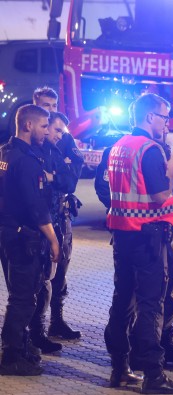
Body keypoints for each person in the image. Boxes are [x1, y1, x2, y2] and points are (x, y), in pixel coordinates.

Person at [95, 103, 173, 368]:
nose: (166, 121)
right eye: (164, 116)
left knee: (123, 299)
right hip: (147, 238)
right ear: (151, 117)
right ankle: (152, 371)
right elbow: (161, 196)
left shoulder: (119, 146)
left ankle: (120, 366)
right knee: (151, 304)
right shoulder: (149, 150)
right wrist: (172, 174)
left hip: (122, 236)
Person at [0, 105, 60, 376]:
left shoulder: (4, 153)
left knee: (18, 294)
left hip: (7, 233)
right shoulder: (26, 161)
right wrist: (53, 238)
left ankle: (20, 348)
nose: (47, 131)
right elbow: (35, 207)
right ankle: (12, 356)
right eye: (44, 126)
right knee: (23, 298)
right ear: (28, 126)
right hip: (24, 237)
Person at [33, 86, 84, 341]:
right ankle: (35, 330)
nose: (49, 111)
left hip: (61, 212)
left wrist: (57, 175)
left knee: (60, 269)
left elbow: (73, 172)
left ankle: (56, 321)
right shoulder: (31, 136)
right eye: (44, 105)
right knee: (38, 276)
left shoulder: (62, 136)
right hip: (40, 215)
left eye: (53, 106)